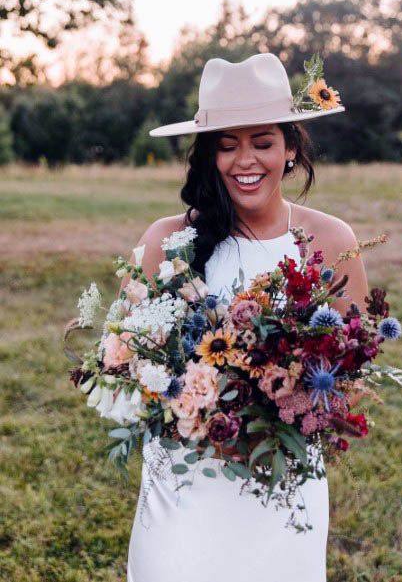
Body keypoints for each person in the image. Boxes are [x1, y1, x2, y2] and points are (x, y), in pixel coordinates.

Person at [120, 52, 369, 582]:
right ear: (208, 155)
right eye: (227, 145)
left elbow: (352, 368)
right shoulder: (166, 241)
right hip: (184, 488)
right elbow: (128, 362)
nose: (245, 160)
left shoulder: (330, 241)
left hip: (282, 488)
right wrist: (188, 404)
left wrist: (291, 401)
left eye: (262, 142)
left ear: (291, 148)